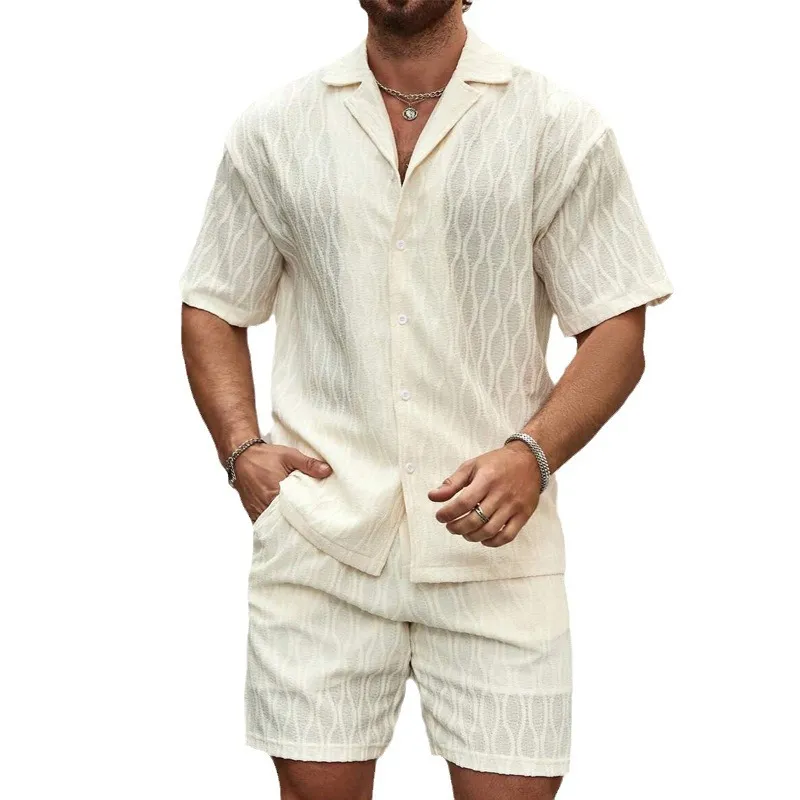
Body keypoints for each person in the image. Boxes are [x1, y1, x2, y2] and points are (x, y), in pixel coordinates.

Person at [179, 1, 674, 797]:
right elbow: (213, 302)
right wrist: (241, 452)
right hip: (322, 545)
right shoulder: (274, 128)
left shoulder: (556, 125)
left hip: (497, 552)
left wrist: (532, 456)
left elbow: (617, 325)